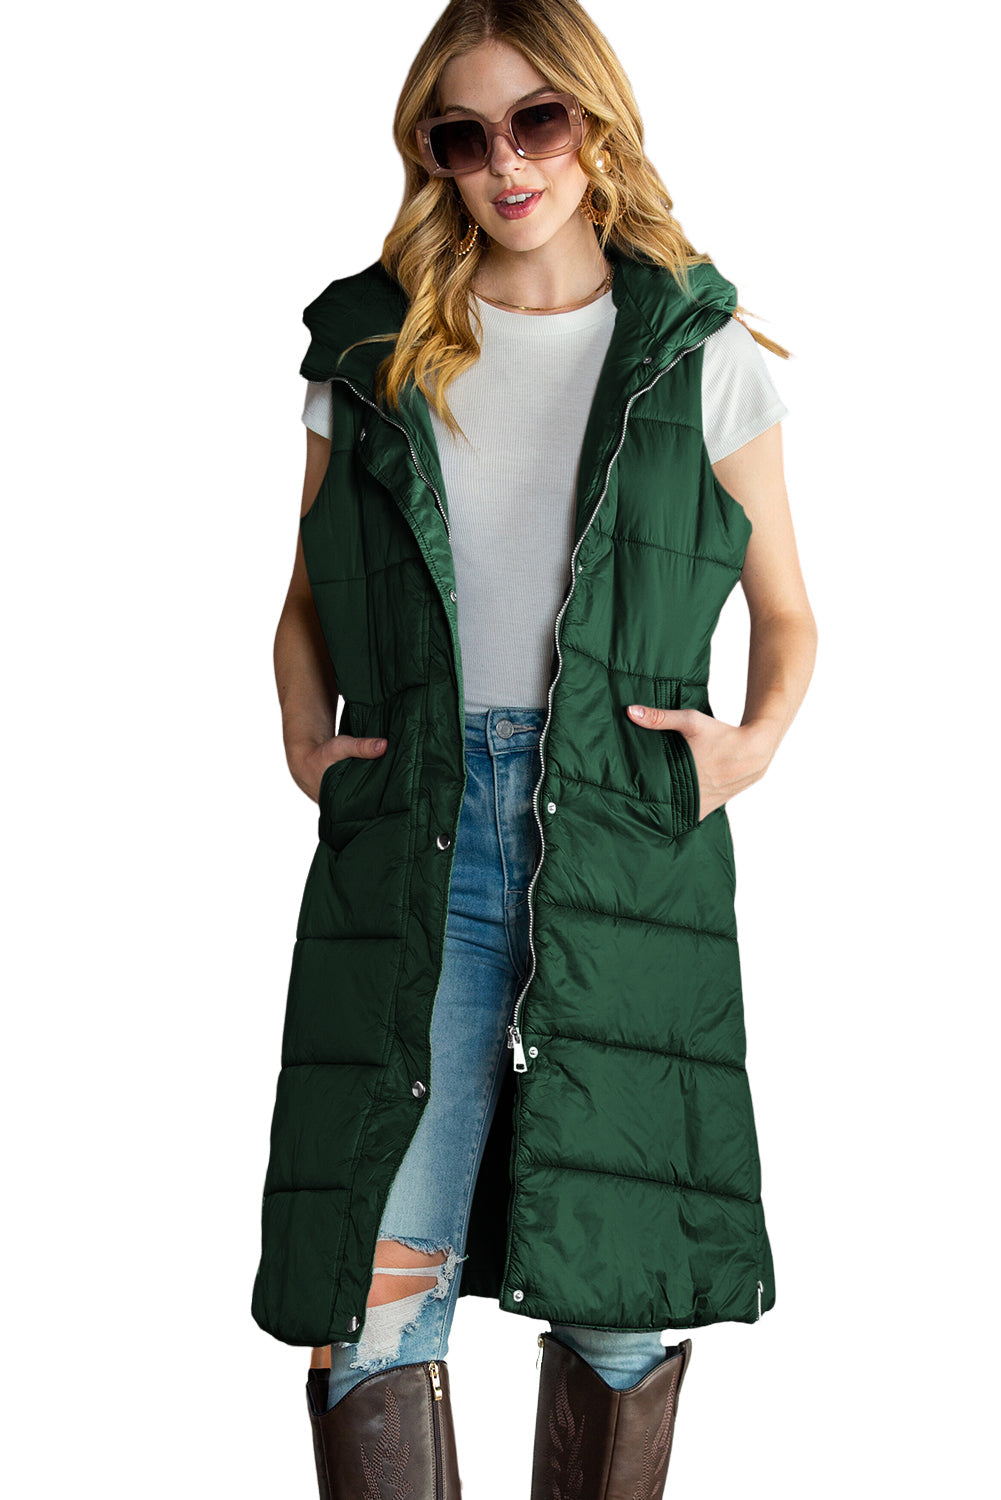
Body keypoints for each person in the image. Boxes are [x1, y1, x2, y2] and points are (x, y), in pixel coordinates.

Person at [252, 1, 818, 1494]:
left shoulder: (699, 353)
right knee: (372, 1297)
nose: (507, 163)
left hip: (622, 838)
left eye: (537, 121)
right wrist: (307, 743)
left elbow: (787, 613)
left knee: (618, 1290)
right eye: (464, 134)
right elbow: (305, 600)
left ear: (594, 125)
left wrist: (749, 745)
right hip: (418, 836)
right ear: (431, 155)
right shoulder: (371, 349)